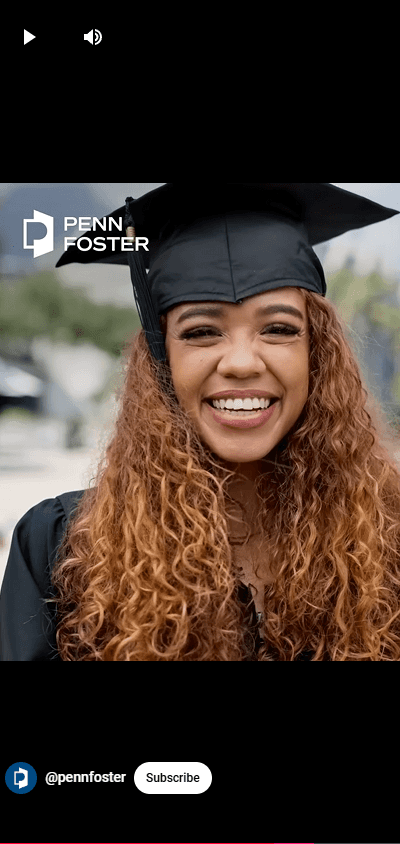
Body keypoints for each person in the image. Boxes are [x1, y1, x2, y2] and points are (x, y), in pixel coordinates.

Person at [1, 182, 400, 661]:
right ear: (159, 358)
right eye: (201, 331)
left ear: (317, 353)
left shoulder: (389, 539)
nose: (241, 362)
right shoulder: (62, 549)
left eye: (278, 329)